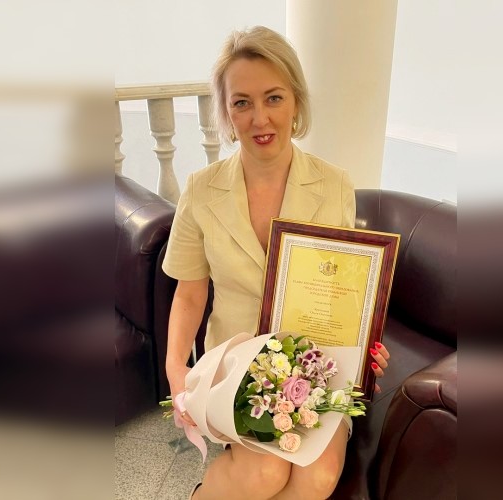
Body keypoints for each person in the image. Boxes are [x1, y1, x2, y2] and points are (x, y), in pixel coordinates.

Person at [162, 26, 391, 500]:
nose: (260, 118)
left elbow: (345, 289)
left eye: (274, 98)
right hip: (236, 366)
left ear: (296, 103)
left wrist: (367, 344)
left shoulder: (335, 185)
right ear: (226, 113)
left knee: (316, 478)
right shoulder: (201, 190)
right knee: (263, 475)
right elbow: (190, 292)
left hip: (318, 367)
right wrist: (175, 368)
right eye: (242, 103)